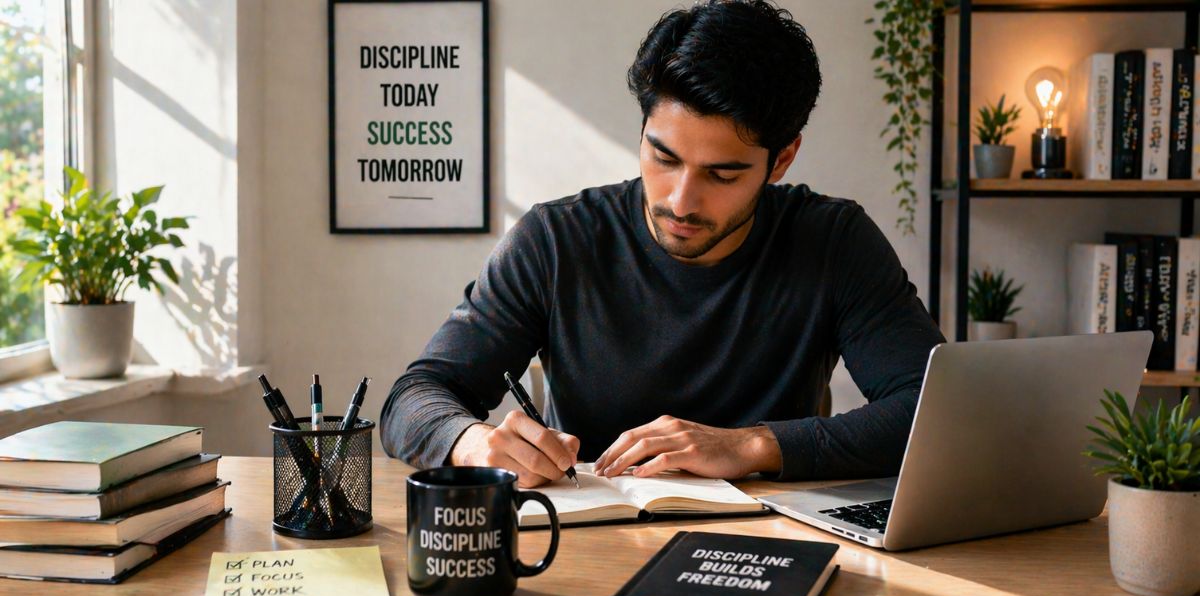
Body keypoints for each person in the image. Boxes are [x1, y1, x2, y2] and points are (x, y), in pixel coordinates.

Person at [380, 0, 945, 488]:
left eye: (722, 175)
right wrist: (473, 442)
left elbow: (932, 409)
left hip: (771, 546)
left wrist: (749, 446)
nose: (680, 200)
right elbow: (413, 398)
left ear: (783, 160)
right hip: (588, 548)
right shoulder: (556, 240)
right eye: (664, 157)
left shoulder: (833, 242)